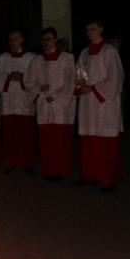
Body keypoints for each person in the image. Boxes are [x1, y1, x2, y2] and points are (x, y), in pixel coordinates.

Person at [75, 19, 124, 191]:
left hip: (103, 103)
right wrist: (81, 84)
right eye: (88, 30)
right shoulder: (84, 52)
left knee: (104, 142)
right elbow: (79, 73)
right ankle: (90, 175)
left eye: (93, 29)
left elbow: (116, 78)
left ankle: (107, 179)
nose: (90, 32)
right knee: (89, 139)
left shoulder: (109, 51)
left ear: (101, 29)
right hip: (87, 103)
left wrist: (93, 89)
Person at [27, 27, 76, 181]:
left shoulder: (67, 58)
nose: (46, 42)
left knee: (61, 139)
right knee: (46, 140)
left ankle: (62, 170)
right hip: (44, 104)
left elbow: (72, 81)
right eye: (44, 40)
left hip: (61, 105)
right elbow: (28, 81)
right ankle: (49, 171)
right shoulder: (37, 60)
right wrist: (40, 91)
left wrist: (55, 96)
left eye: (49, 39)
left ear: (55, 39)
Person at [0, 30, 37, 173]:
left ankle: (27, 162)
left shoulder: (31, 58)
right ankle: (10, 161)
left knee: (26, 134)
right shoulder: (2, 58)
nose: (13, 42)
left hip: (24, 101)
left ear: (22, 39)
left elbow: (36, 78)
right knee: (9, 134)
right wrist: (8, 78)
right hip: (9, 102)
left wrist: (23, 78)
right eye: (11, 39)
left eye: (16, 38)